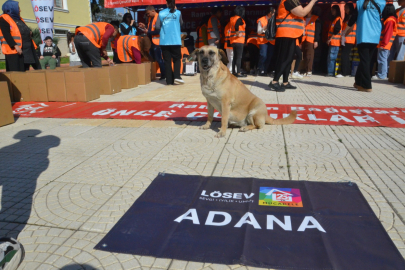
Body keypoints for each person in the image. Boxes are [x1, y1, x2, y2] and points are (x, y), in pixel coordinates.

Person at [268, 0, 317, 91]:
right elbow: (302, 12)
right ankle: (274, 81)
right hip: (285, 33)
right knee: (285, 58)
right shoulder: (289, 1)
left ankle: (285, 82)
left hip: (291, 34)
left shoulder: (292, 1)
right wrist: (313, 1)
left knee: (289, 58)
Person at [347, 0, 386, 92]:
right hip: (375, 35)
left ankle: (366, 85)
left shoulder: (360, 2)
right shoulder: (382, 2)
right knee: (366, 59)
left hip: (364, 34)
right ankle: (358, 82)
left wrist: (346, 29)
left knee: (365, 60)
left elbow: (353, 18)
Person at [0, 0, 40, 71]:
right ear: (12, 8)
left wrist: (30, 32)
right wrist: (15, 46)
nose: (20, 10)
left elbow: (24, 30)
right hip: (15, 51)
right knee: (18, 73)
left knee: (28, 70)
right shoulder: (4, 18)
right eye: (18, 8)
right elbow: (6, 35)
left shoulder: (19, 19)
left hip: (27, 50)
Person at [156, 0, 184, 85]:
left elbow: (157, 26)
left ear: (166, 3)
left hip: (165, 41)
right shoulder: (178, 13)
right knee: (176, 59)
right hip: (175, 39)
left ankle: (168, 81)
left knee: (167, 60)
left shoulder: (161, 13)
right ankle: (177, 77)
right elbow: (181, 23)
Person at [139, 6, 166, 80]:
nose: (147, 15)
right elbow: (150, 30)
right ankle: (153, 74)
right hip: (151, 42)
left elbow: (158, 31)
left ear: (153, 11)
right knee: (152, 58)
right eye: (146, 14)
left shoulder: (158, 18)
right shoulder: (150, 19)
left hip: (157, 42)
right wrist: (144, 28)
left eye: (148, 13)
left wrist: (148, 32)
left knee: (159, 59)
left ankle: (164, 75)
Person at [374, 4, 397, 79]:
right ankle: (382, 74)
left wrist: (383, 44)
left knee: (382, 59)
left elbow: (387, 34)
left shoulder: (390, 20)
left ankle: (382, 75)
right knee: (382, 59)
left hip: (385, 44)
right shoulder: (391, 19)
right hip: (386, 43)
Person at [301, 7, 321, 77]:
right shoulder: (303, 18)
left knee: (310, 56)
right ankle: (304, 70)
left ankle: (309, 70)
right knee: (304, 56)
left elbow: (318, 30)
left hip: (311, 40)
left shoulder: (316, 18)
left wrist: (316, 40)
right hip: (303, 39)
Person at [338, 3, 356, 78]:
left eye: (346, 8)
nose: (345, 9)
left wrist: (344, 35)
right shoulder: (347, 17)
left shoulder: (352, 17)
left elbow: (351, 27)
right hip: (345, 39)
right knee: (346, 56)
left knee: (344, 56)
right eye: (344, 8)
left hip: (349, 39)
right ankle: (347, 72)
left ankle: (344, 72)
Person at [257, 7, 276, 76]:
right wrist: (265, 27)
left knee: (269, 56)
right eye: (273, 12)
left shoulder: (275, 20)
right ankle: (260, 69)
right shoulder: (261, 20)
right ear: (269, 13)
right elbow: (258, 31)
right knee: (263, 55)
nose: (274, 14)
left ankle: (265, 70)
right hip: (263, 41)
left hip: (271, 41)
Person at [230, 6, 246, 78]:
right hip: (239, 40)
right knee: (239, 57)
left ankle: (234, 71)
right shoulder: (239, 19)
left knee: (234, 57)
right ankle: (239, 72)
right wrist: (237, 33)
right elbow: (236, 26)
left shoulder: (232, 18)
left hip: (233, 40)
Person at [327, 5, 342, 77]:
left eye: (333, 10)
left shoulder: (338, 19)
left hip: (335, 42)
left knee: (332, 57)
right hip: (332, 42)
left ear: (336, 10)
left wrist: (330, 39)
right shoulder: (334, 19)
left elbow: (336, 30)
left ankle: (331, 72)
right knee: (330, 57)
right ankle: (330, 72)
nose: (332, 12)